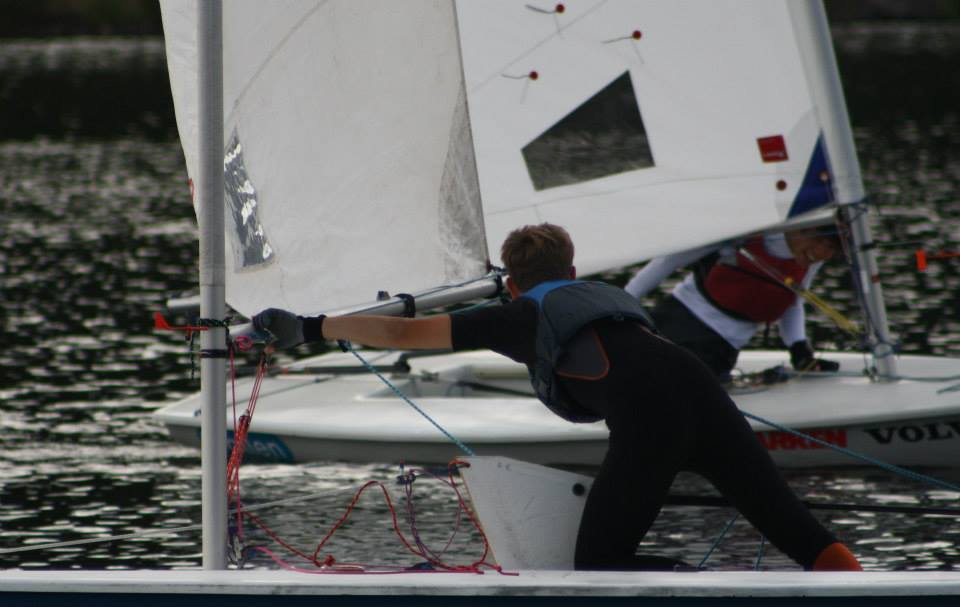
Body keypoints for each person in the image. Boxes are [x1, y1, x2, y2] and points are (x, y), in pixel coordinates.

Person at [252, 223, 861, 572]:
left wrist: (310, 327)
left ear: (513, 283)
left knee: (597, 565)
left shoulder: (517, 314)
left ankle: (692, 582)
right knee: (796, 530)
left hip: (652, 417)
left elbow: (403, 333)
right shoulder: (600, 296)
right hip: (700, 385)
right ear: (571, 271)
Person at [624, 228, 841, 381]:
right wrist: (619, 307)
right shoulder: (747, 234)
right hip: (678, 322)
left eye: (831, 248)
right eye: (820, 242)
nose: (822, 253)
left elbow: (792, 302)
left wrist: (799, 350)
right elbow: (667, 262)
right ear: (802, 229)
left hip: (723, 348)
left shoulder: (810, 258)